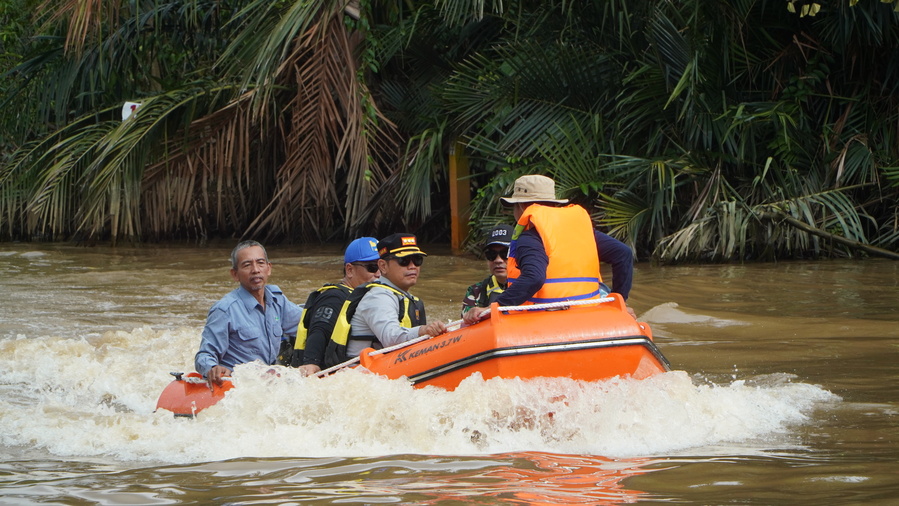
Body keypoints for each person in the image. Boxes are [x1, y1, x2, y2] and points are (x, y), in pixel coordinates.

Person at [463, 174, 635, 324]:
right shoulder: (583, 232)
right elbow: (623, 254)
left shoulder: (529, 238)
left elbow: (534, 277)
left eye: (514, 206)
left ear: (522, 207)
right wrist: (618, 301)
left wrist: (495, 307)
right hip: (589, 315)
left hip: (545, 321)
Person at [194, 240, 303, 384]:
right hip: (238, 385)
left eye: (260, 263)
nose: (255, 270)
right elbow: (204, 355)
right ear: (235, 274)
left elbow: (307, 321)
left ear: (268, 268)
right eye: (247, 265)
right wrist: (212, 368)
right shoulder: (225, 310)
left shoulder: (278, 300)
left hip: (267, 382)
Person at [342, 233, 447, 360]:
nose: (412, 266)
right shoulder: (378, 297)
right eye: (404, 261)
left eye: (417, 260)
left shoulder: (402, 296)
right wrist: (423, 330)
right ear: (383, 266)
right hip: (362, 368)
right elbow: (391, 338)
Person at [289, 237, 382, 376]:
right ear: (349, 270)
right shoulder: (334, 297)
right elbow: (320, 329)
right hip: (331, 373)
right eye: (372, 267)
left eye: (382, 267)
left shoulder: (374, 298)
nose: (378, 274)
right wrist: (311, 361)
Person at [460, 224, 513, 318]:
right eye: (491, 254)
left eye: (505, 253)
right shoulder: (475, 291)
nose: (498, 260)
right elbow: (464, 323)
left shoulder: (533, 287)